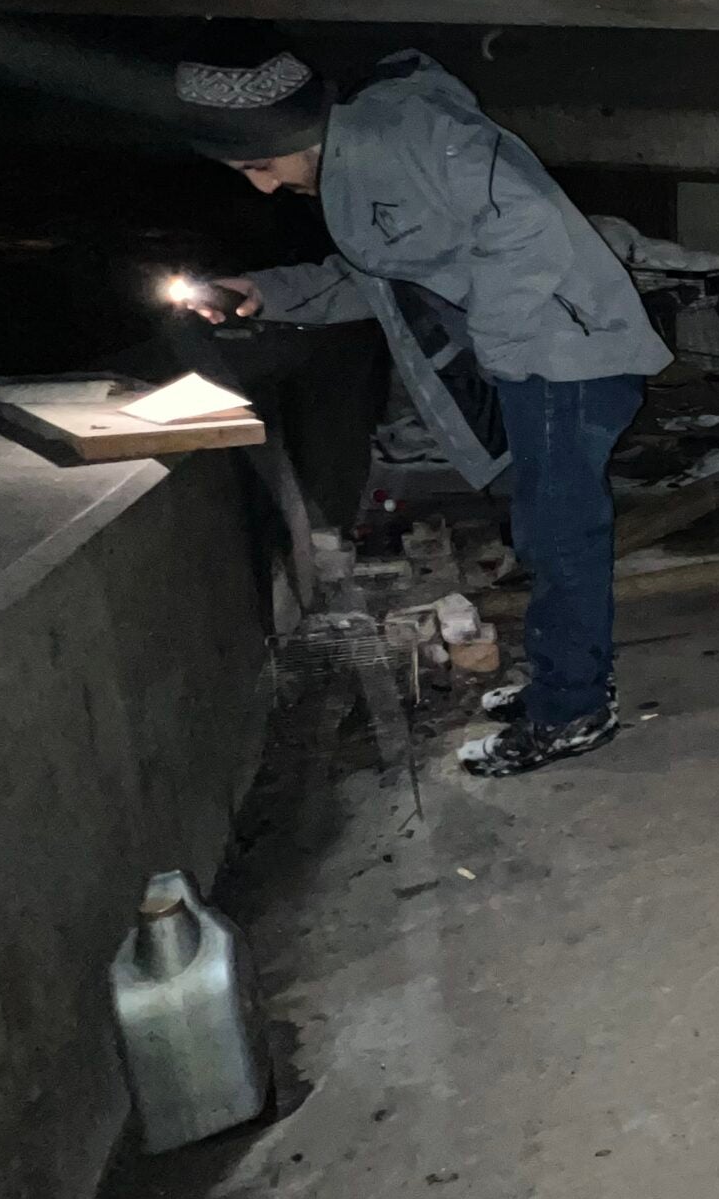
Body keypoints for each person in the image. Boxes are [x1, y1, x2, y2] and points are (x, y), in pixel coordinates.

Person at [175, 47, 670, 776]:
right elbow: (374, 279)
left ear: (268, 148)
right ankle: (566, 682)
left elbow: (527, 220)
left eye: (256, 170)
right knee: (547, 531)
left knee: (560, 538)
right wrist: (266, 291)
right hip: (545, 355)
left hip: (566, 356)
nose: (265, 189)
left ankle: (574, 713)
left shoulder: (402, 137)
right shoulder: (364, 154)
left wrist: (502, 341)